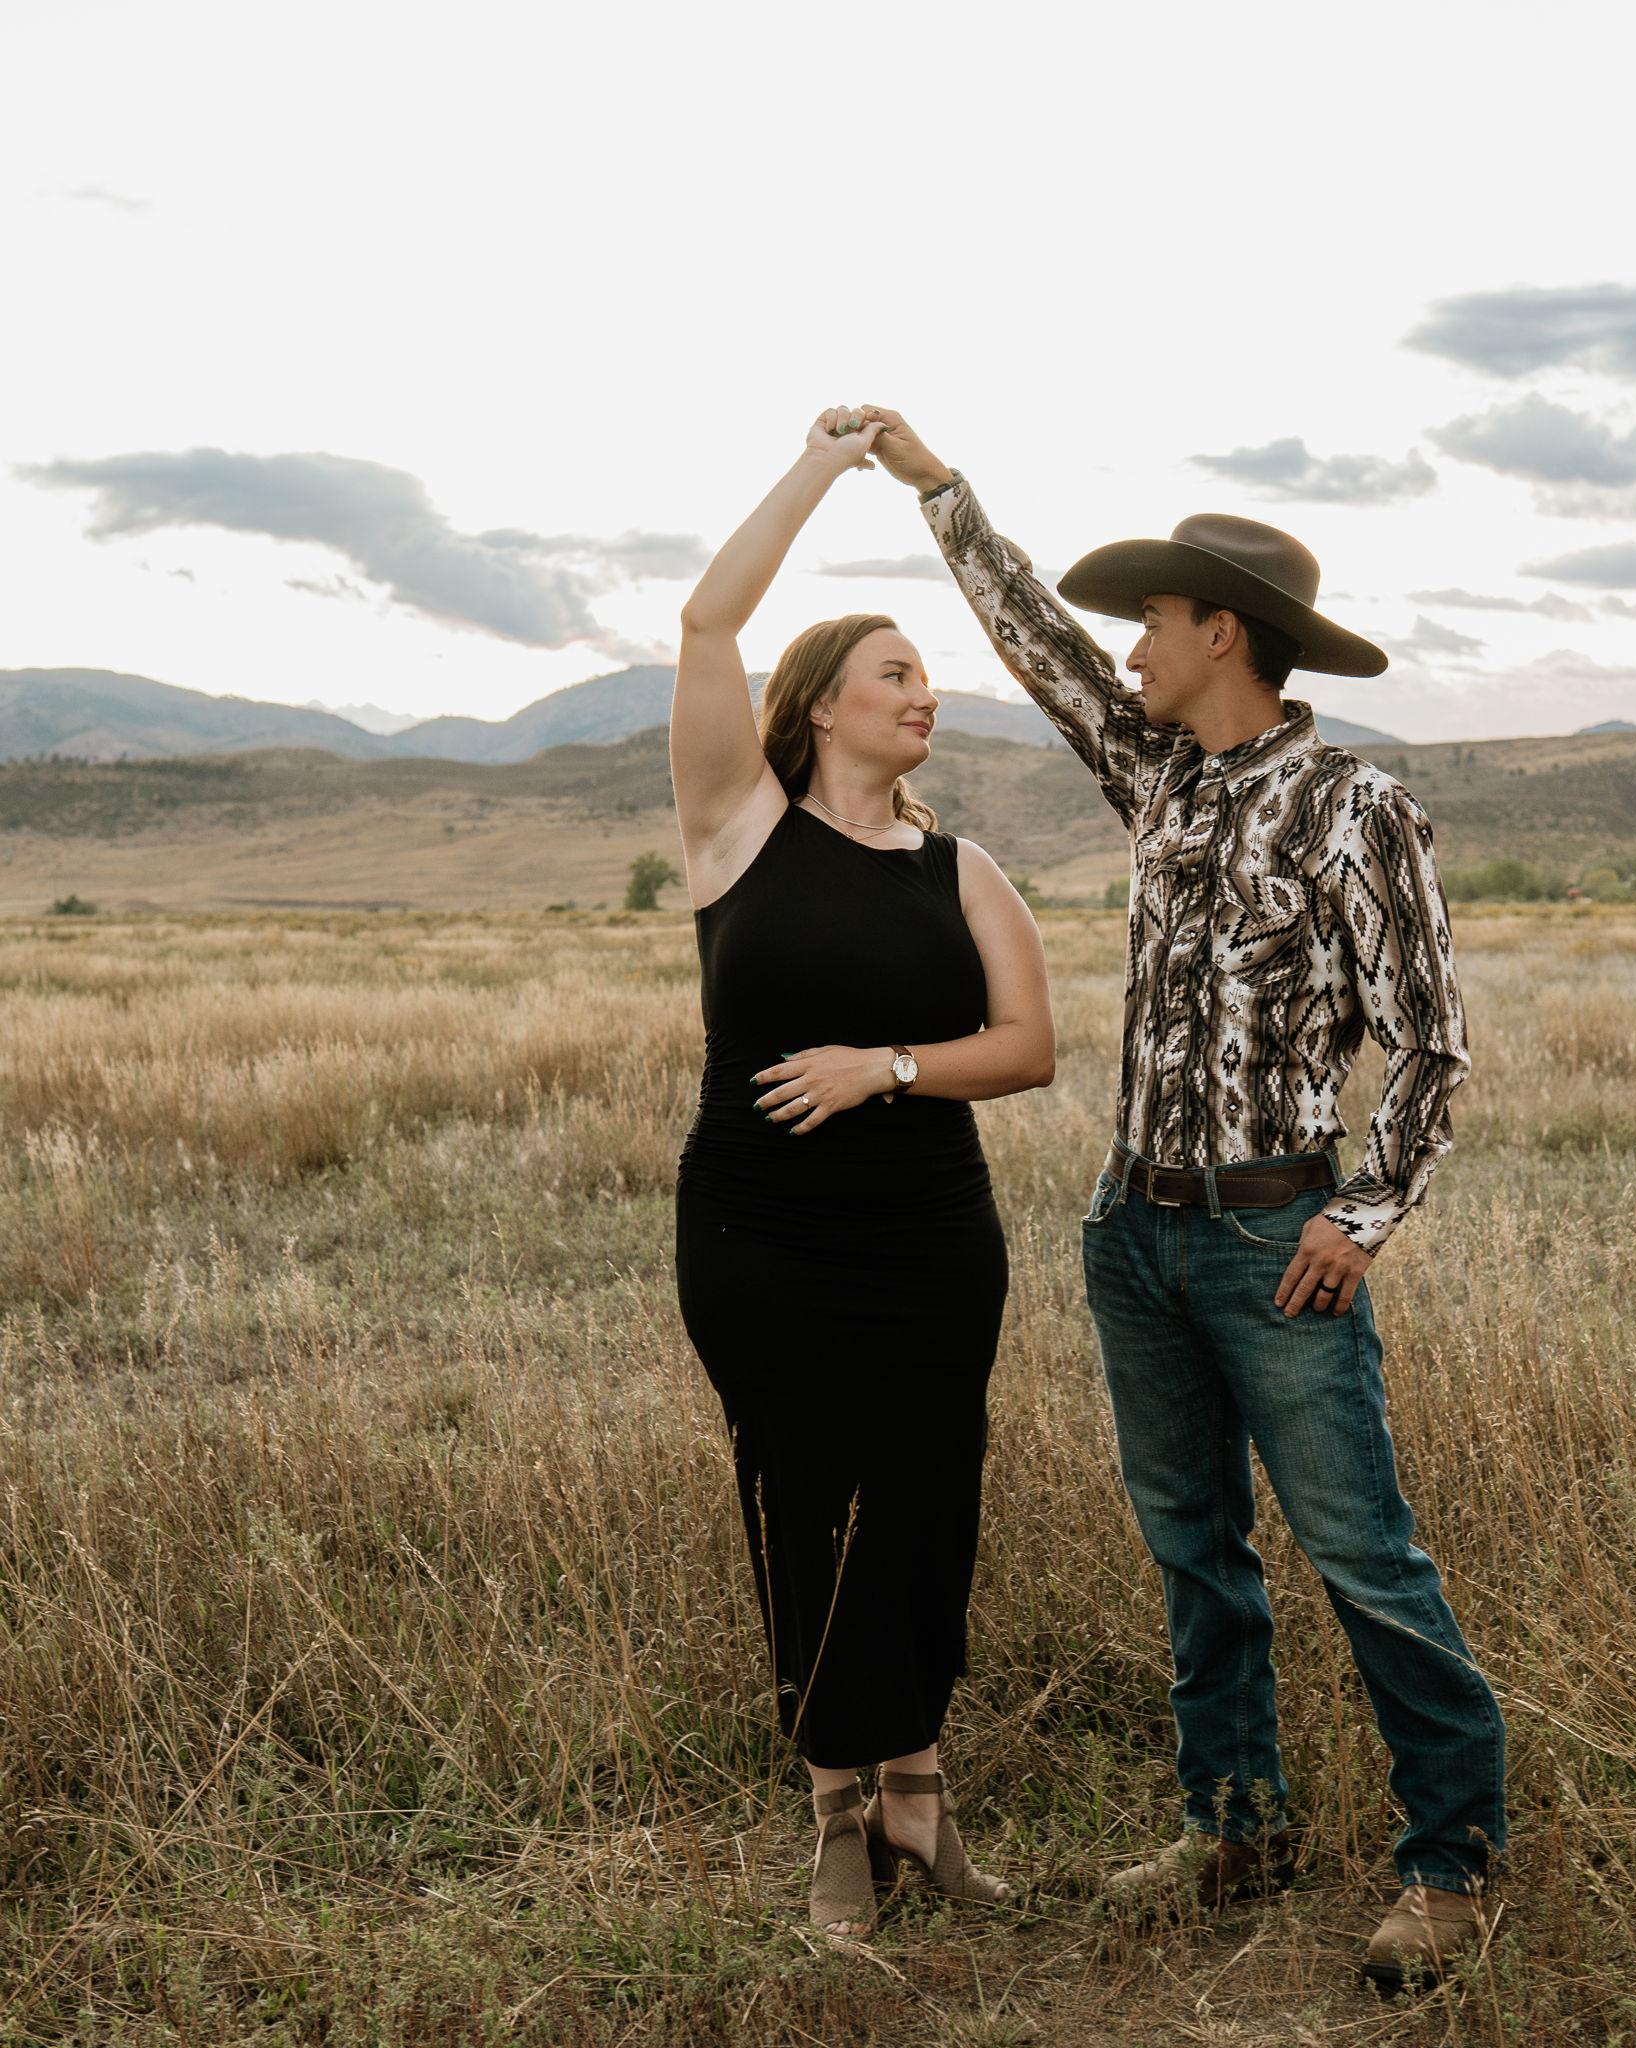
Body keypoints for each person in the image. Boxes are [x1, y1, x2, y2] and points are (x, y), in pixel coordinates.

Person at [860, 406, 1507, 1987]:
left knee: (1361, 1552)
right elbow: (1039, 654)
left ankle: (1456, 1865)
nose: (1128, 647)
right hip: (1130, 1229)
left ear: (1224, 634)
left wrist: (1357, 1221)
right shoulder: (1158, 778)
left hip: (1272, 1234)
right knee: (1192, 1547)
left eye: (1152, 621)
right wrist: (941, 490)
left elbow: (1432, 1045)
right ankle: (1239, 1826)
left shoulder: (1360, 808)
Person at [669, 407, 1055, 1939]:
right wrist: (831, 467)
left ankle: (922, 1802)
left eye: (927, 677)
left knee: (926, 1504)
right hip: (760, 1241)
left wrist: (882, 1068)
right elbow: (706, 619)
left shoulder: (966, 872)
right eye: (899, 672)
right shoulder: (734, 833)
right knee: (798, 1501)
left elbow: (1028, 1048)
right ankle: (840, 1813)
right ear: (821, 704)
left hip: (930, 1242)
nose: (927, 694)